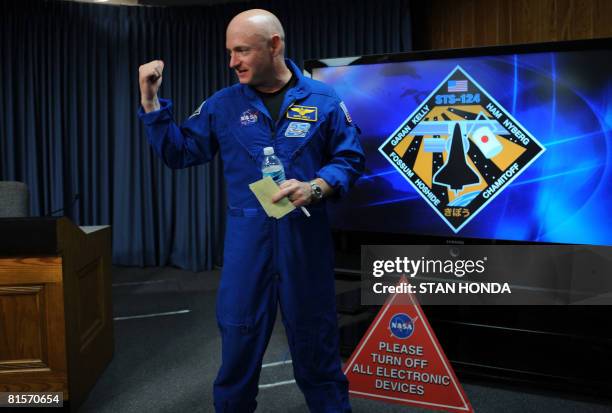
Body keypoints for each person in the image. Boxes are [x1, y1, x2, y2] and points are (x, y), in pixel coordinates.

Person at [138, 9, 364, 412]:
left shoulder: (324, 99)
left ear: (274, 46)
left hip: (304, 242)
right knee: (239, 346)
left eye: (241, 50)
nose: (232, 62)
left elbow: (350, 159)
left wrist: (316, 186)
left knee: (317, 344)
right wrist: (151, 101)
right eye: (230, 52)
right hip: (248, 245)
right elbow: (180, 153)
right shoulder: (222, 105)